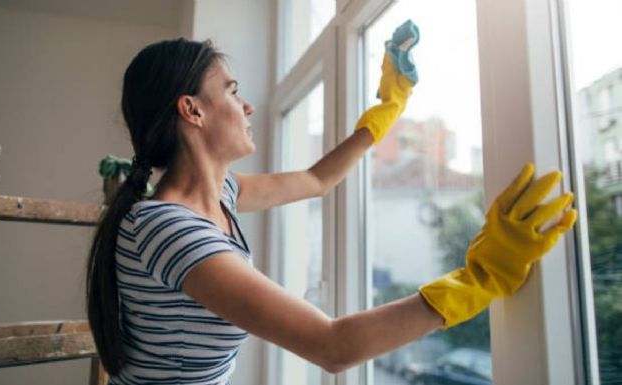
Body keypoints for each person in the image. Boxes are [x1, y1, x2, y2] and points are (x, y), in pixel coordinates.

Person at [86, 38, 577, 385]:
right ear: (192, 111)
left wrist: (386, 110)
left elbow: (317, 180)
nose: (248, 106)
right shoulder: (171, 230)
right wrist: (480, 278)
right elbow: (333, 346)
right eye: (233, 91)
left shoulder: (220, 196)